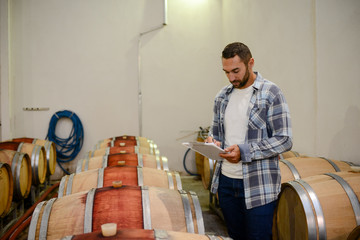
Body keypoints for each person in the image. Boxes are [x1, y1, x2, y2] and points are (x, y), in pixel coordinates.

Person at [205, 42, 293, 240]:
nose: (231, 78)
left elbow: (284, 139)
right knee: (235, 236)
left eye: (236, 71)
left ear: (250, 63)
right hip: (226, 182)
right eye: (226, 72)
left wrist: (245, 152)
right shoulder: (222, 96)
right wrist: (212, 140)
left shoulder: (271, 93)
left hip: (258, 183)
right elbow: (216, 132)